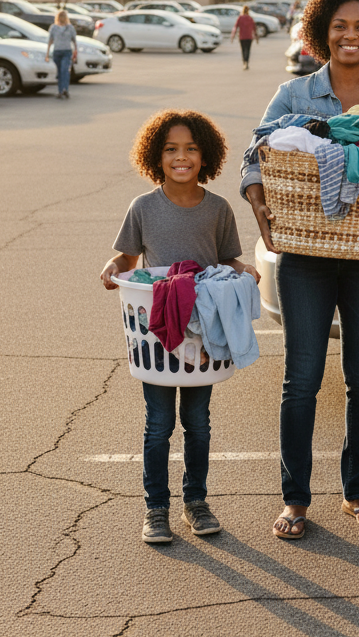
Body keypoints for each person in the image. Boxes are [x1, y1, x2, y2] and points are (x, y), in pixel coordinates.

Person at [241, 0, 359, 540]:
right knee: (301, 380)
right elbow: (258, 153)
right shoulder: (295, 95)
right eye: (340, 26)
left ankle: (357, 492)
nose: (351, 35)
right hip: (306, 254)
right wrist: (258, 202)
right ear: (322, 32)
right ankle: (295, 500)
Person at [100, 110, 260, 544]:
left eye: (190, 149)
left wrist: (242, 267)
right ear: (156, 156)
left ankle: (196, 502)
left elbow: (225, 260)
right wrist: (112, 266)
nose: (181, 157)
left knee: (198, 422)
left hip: (203, 337)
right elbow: (128, 260)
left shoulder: (218, 209)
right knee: (157, 424)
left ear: (205, 156)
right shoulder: (144, 208)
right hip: (158, 336)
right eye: (171, 149)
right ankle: (156, 509)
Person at [46, 9, 77, 99]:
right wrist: (47, 54)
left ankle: (65, 89)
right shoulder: (54, 28)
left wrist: (75, 52)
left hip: (67, 51)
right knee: (59, 73)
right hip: (57, 51)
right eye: (60, 16)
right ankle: (60, 91)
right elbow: (50, 41)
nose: (62, 18)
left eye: (63, 16)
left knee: (65, 70)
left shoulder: (70, 28)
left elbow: (74, 40)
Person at [231, 6, 256, 70]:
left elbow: (235, 27)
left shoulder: (240, 18)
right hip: (249, 37)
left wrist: (233, 36)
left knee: (243, 50)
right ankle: (247, 62)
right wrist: (256, 36)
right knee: (248, 50)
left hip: (242, 37)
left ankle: (244, 62)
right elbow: (254, 28)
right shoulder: (250, 18)